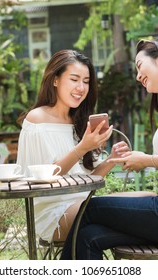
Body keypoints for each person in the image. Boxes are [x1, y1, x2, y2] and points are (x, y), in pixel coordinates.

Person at [60, 38, 158, 260]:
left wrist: (146, 160)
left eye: (140, 65)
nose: (137, 75)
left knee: (89, 209)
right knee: (89, 236)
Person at [16, 50, 129, 243]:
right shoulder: (37, 119)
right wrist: (82, 147)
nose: (81, 87)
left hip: (83, 206)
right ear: (55, 80)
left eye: (86, 81)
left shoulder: (79, 122)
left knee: (147, 199)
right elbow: (44, 179)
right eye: (74, 79)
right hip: (53, 214)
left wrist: (111, 159)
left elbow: (87, 180)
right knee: (115, 213)